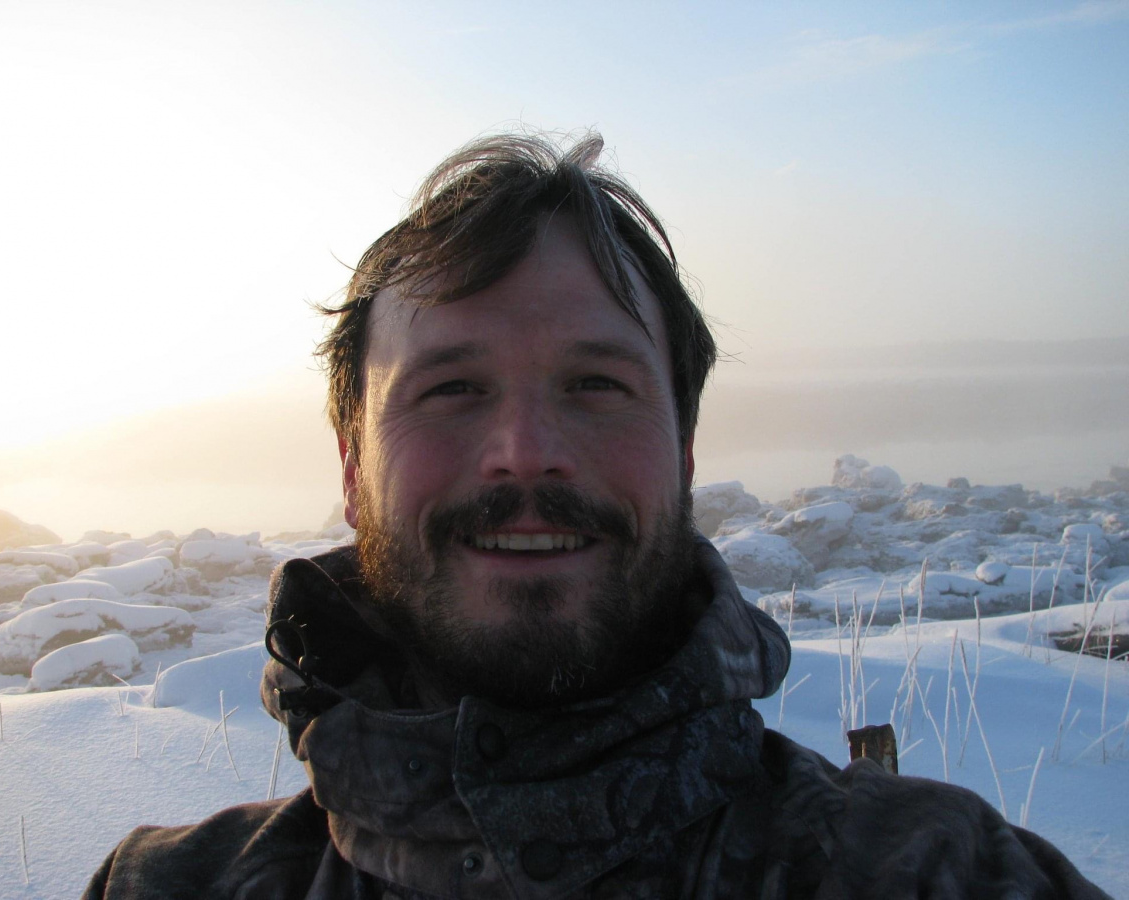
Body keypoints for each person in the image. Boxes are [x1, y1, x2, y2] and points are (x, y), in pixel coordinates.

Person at [84, 133, 1110, 899]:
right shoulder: (167, 890)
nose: (528, 451)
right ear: (353, 472)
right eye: (450, 388)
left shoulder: (945, 878)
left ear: (687, 454)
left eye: (597, 384)